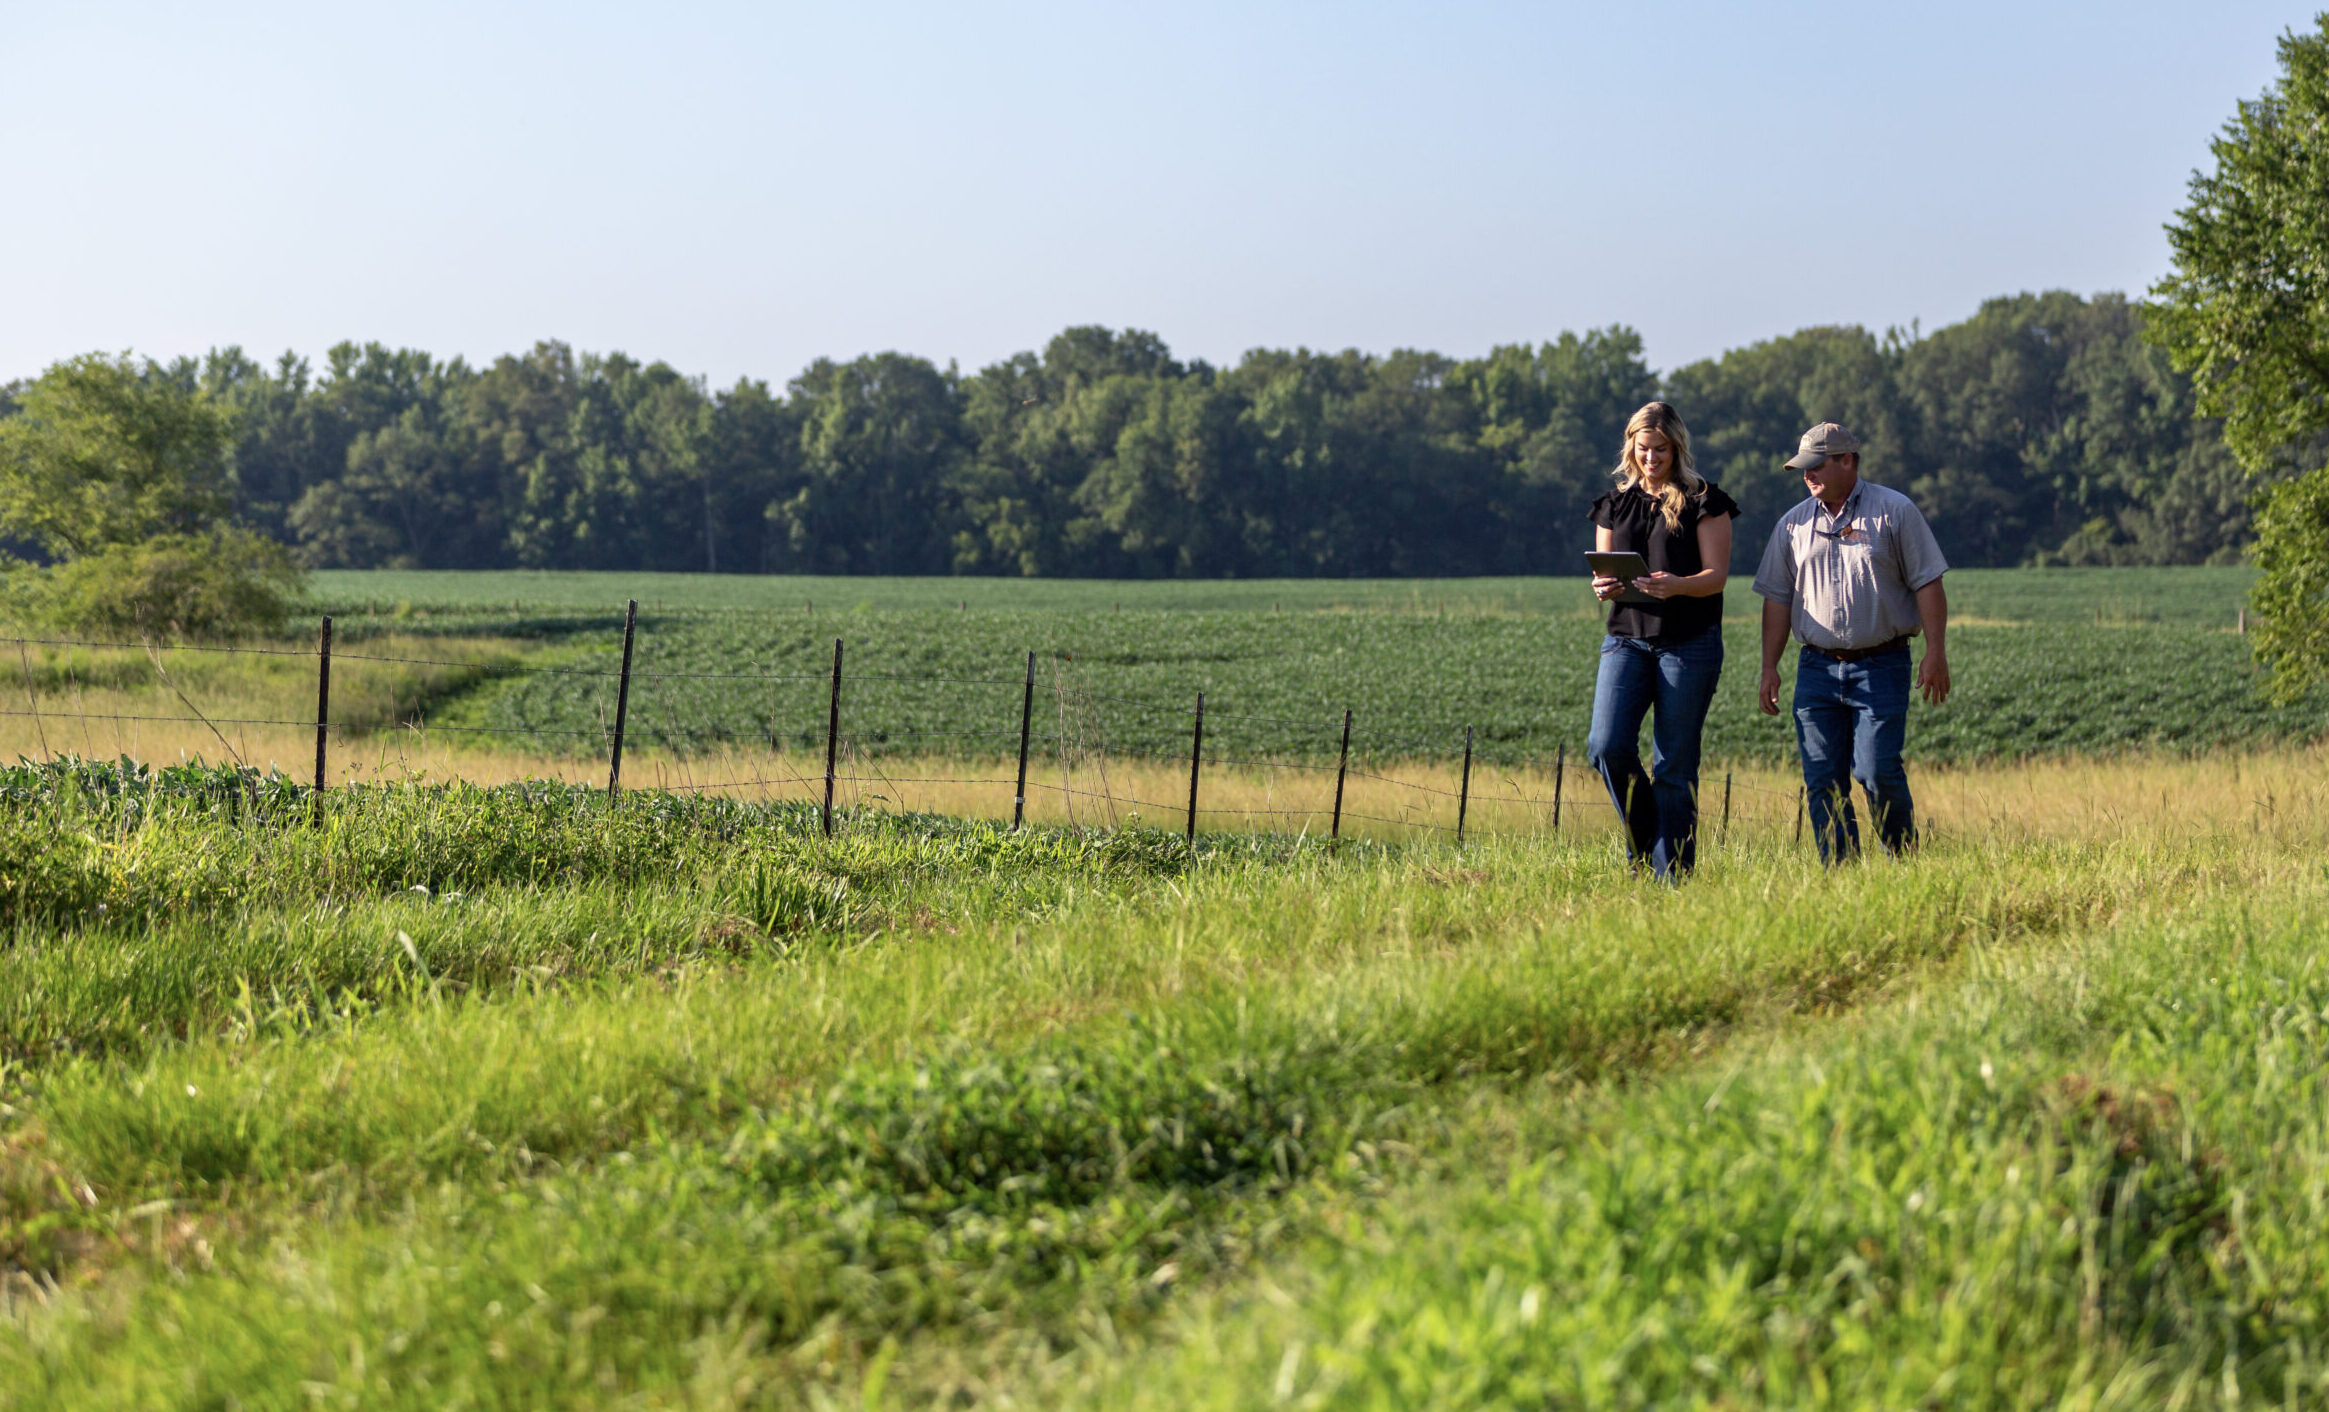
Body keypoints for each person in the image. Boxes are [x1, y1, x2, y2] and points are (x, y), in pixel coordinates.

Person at [1751, 421, 1951, 862]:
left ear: (1847, 461)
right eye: (1802, 468)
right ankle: (1840, 872)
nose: (1807, 476)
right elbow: (1777, 601)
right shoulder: (1791, 526)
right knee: (1823, 779)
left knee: (1876, 770)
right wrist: (1770, 666)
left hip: (1881, 665)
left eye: (1816, 466)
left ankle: (1902, 855)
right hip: (1816, 669)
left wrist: (1936, 651)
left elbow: (1929, 584)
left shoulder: (1895, 512)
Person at [1586, 401, 1739, 879]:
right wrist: (1602, 586)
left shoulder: (1705, 500)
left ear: (1677, 448)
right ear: (1631, 447)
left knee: (1673, 765)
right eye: (1644, 448)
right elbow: (1603, 567)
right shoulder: (1614, 503)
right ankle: (1647, 838)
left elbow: (1716, 578)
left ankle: (1672, 877)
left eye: (1662, 450)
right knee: (1605, 745)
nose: (1652, 458)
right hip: (1626, 639)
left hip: (1688, 643)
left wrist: (1676, 584)